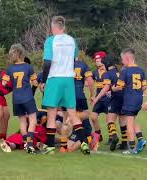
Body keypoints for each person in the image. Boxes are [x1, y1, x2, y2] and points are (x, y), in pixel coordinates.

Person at [40, 16, 90, 155]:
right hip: (69, 79)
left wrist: (44, 81)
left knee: (51, 114)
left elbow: (47, 63)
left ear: (53, 27)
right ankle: (84, 143)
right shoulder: (71, 40)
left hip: (55, 78)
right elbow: (74, 60)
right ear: (64, 27)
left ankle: (50, 147)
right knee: (73, 114)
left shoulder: (51, 40)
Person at [2, 44, 38, 154]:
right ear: (22, 54)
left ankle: (25, 143)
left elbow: (3, 83)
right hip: (27, 97)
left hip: (16, 99)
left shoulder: (10, 69)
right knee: (33, 120)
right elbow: (35, 82)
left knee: (22, 121)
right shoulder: (28, 67)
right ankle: (30, 143)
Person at [113, 48, 147, 154]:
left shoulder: (125, 71)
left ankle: (131, 148)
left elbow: (119, 87)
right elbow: (144, 87)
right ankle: (141, 139)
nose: (122, 62)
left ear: (127, 58)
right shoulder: (141, 71)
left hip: (129, 100)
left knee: (129, 124)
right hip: (138, 99)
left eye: (122, 59)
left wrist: (112, 88)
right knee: (133, 119)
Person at [92, 54, 128, 151]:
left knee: (110, 120)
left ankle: (114, 136)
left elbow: (106, 88)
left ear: (107, 64)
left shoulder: (107, 74)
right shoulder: (121, 72)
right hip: (124, 98)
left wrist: (96, 98)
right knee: (123, 121)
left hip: (115, 98)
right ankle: (124, 143)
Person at [59, 57, 94, 153]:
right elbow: (90, 81)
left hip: (65, 96)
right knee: (87, 115)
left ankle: (89, 136)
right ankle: (64, 146)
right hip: (79, 95)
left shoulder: (62, 65)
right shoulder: (82, 64)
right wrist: (92, 95)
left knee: (65, 120)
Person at [90, 51, 111, 144]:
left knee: (109, 119)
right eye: (96, 60)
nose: (97, 62)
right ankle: (99, 134)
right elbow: (89, 82)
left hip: (108, 98)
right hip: (98, 99)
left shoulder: (109, 72)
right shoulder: (95, 72)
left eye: (99, 60)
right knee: (93, 117)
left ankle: (111, 137)